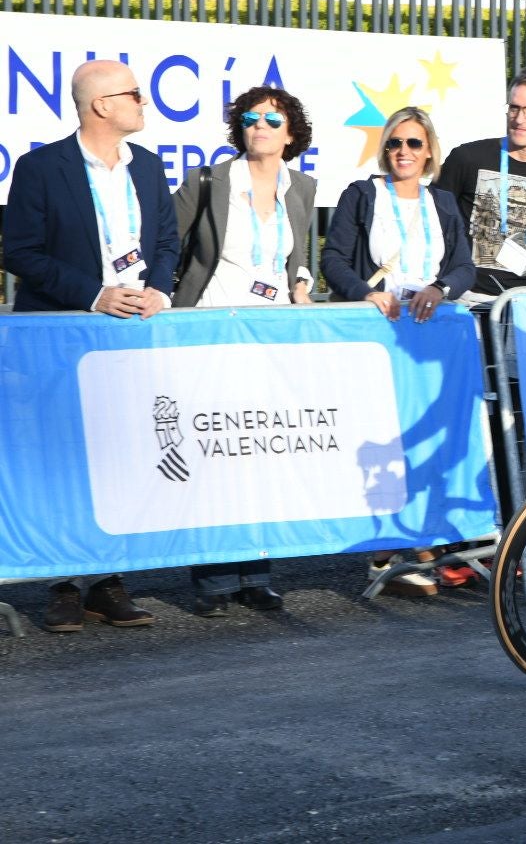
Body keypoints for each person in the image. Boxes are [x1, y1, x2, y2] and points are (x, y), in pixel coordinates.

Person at [4, 59, 177, 632]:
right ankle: (61, 584)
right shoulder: (41, 168)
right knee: (62, 460)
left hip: (129, 338)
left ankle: (107, 581)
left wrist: (159, 290)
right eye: (134, 94)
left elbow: (167, 241)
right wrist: (93, 294)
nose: (143, 102)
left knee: (120, 458)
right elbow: (20, 252)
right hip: (62, 335)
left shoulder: (147, 166)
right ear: (101, 104)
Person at [171, 85, 319, 616]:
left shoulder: (301, 187)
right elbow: (168, 242)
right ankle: (213, 578)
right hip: (210, 332)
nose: (260, 126)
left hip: (269, 338)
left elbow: (295, 259)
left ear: (291, 134)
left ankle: (256, 574)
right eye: (252, 118)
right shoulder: (209, 181)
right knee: (213, 454)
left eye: (273, 120)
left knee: (261, 454)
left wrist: (301, 283)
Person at [322, 107, 477, 597]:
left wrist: (441, 288)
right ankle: (385, 555)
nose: (403, 151)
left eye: (413, 143)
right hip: (380, 335)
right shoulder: (361, 195)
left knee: (427, 440)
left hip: (430, 339)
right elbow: (333, 259)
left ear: (429, 151)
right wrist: (363, 292)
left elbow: (464, 266)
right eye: (394, 143)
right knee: (386, 438)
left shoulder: (443, 202)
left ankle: (424, 544)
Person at [434, 67, 526, 301]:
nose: (519, 119)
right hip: (464, 297)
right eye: (515, 108)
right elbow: (434, 222)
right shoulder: (466, 158)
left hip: (524, 300)